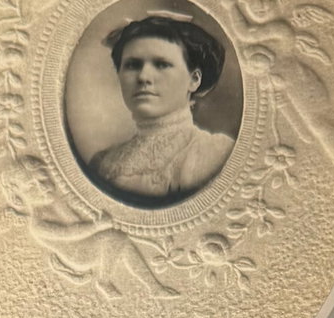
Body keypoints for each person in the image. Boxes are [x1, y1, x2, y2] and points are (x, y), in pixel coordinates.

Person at [87, 12, 234, 204]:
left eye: (162, 64)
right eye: (132, 65)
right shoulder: (103, 164)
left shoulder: (214, 154)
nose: (144, 77)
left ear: (194, 80)